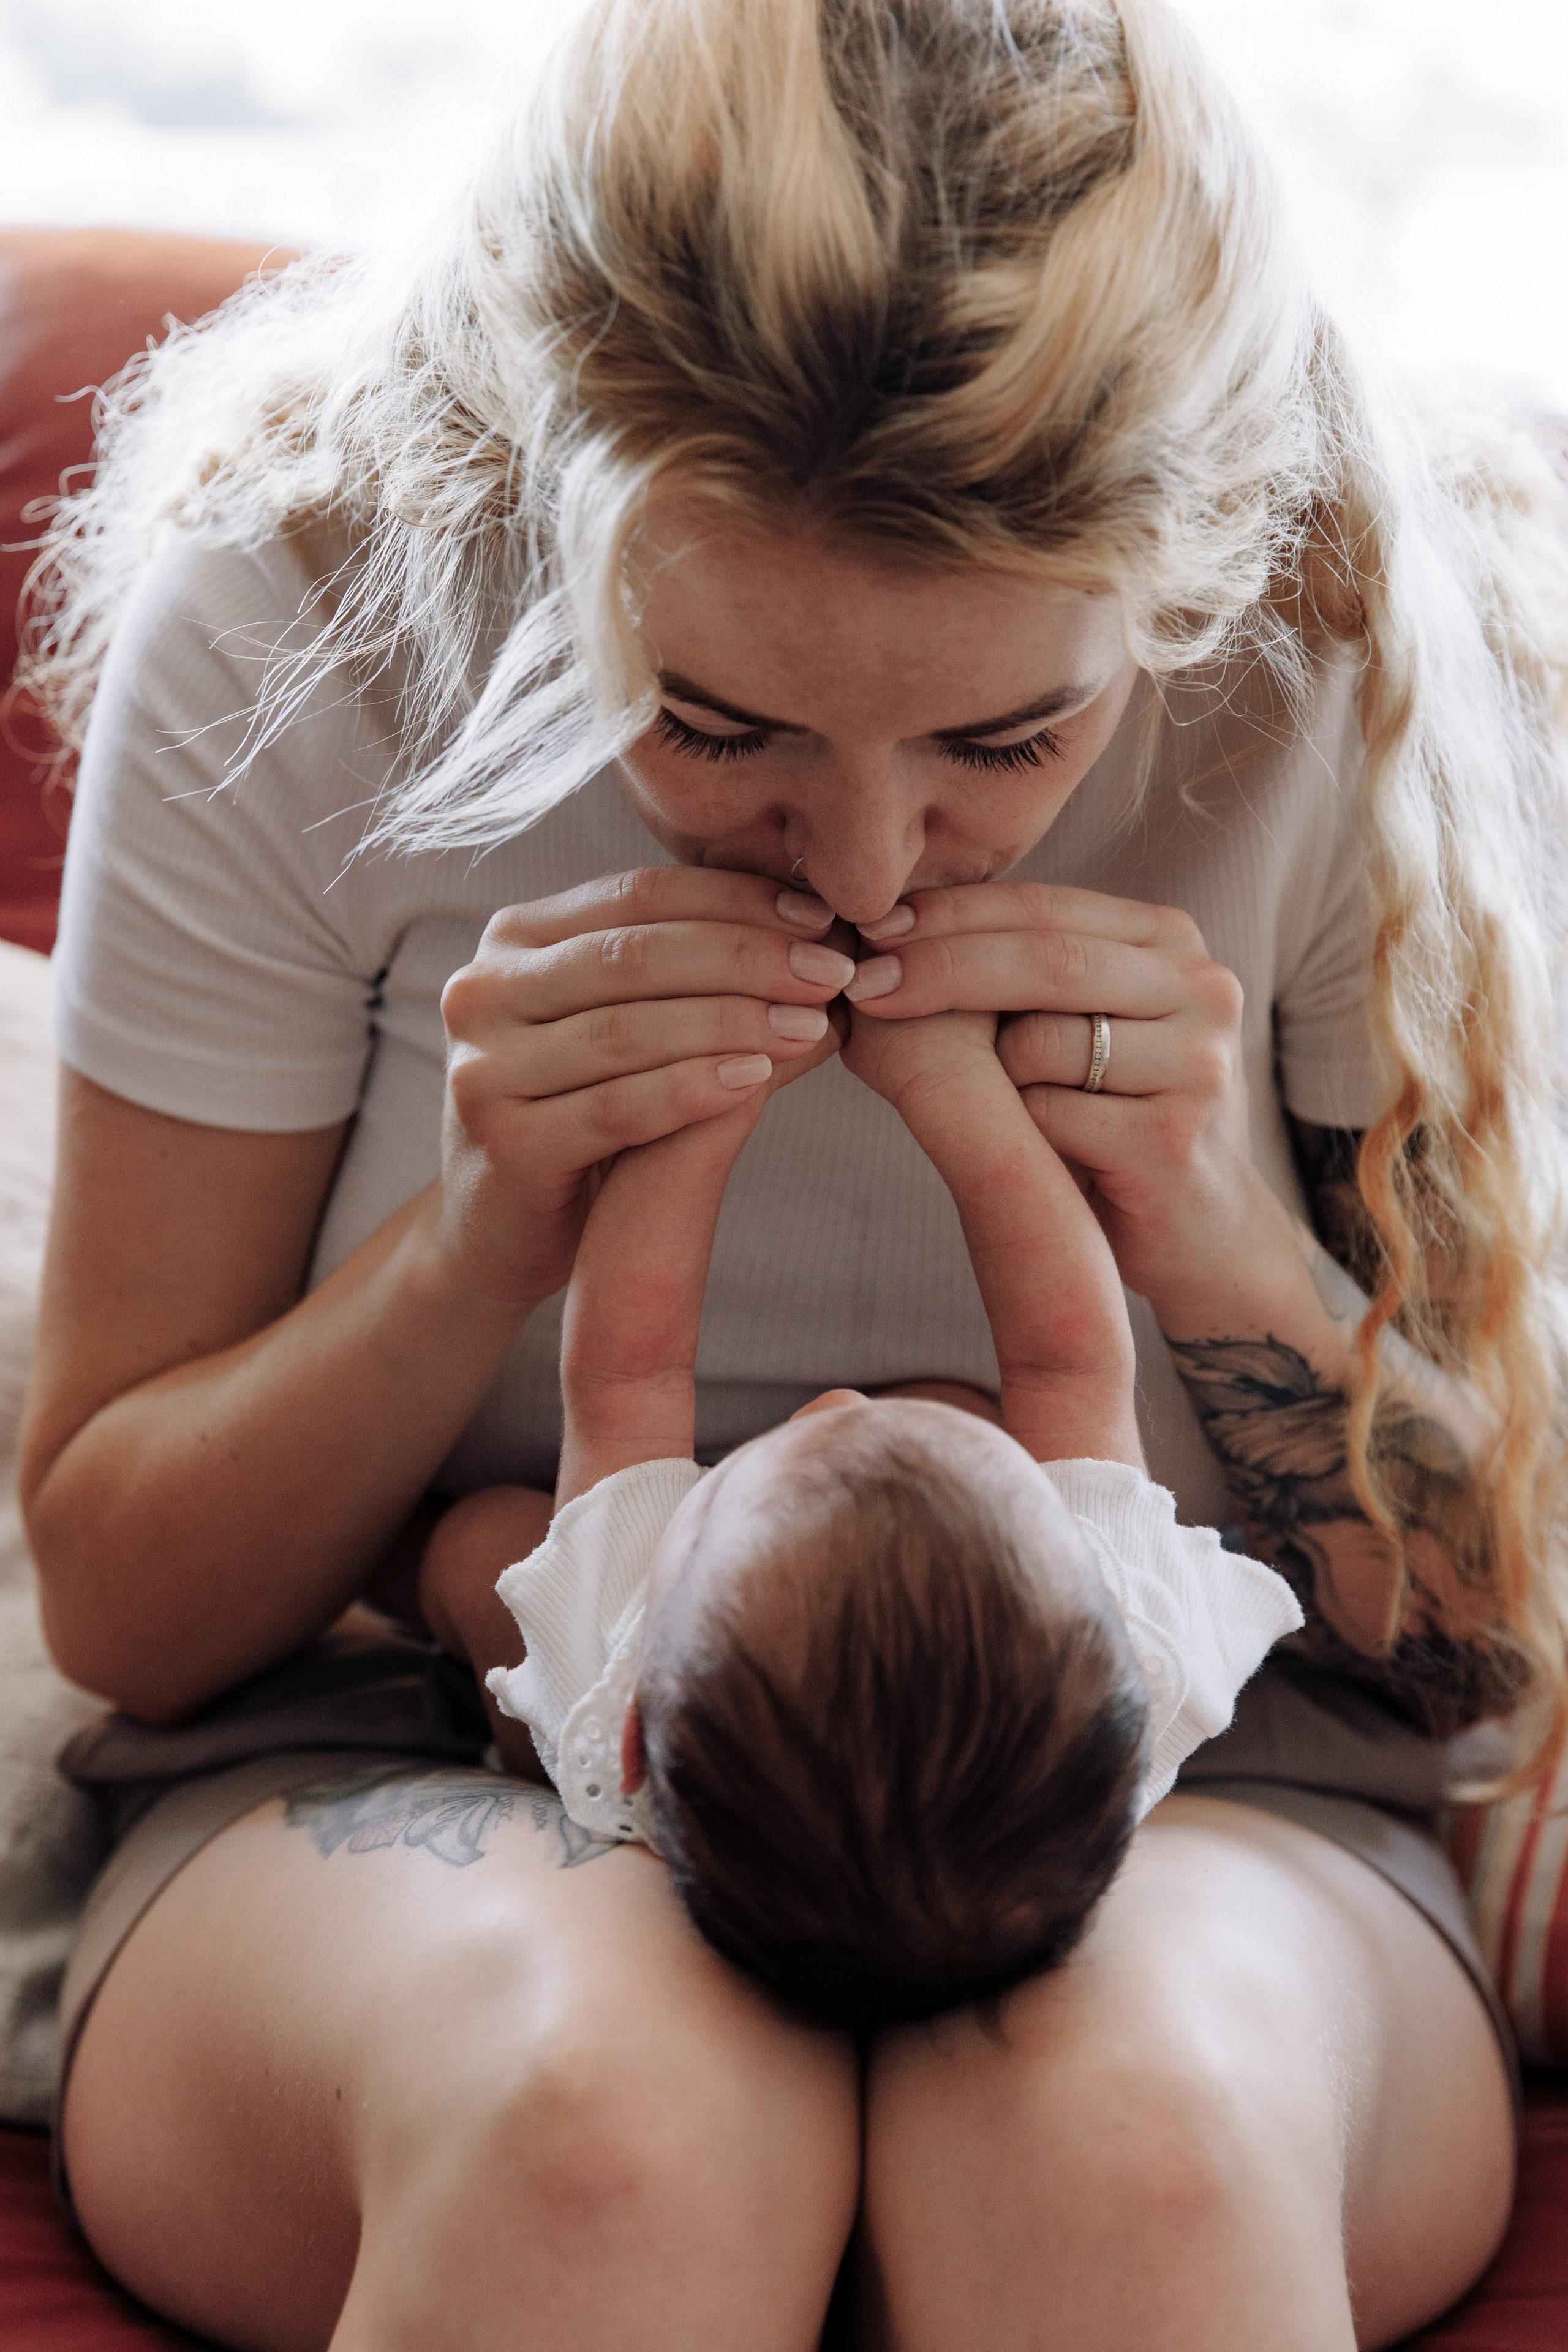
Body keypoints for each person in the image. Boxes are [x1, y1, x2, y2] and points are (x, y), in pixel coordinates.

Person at [15, 0, 1568, 2344]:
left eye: (1010, 736)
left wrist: (1208, 1232)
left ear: (1181, 592)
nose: (862, 863)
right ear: (541, 503)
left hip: (1205, 1797)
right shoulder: (311, 596)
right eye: (716, 721)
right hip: (373, 1773)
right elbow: (124, 1607)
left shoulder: (1349, 637)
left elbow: (1476, 1636)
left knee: (1138, 2151)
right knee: (602, 2137)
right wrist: (474, 1248)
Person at [457, 1011, 1300, 2029]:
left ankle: (493, 1702)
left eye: (778, 1447)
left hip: (620, 1689)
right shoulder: (1128, 1640)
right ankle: (953, 1432)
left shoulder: (621, 1662)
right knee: (964, 1411)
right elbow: (1065, 1360)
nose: (838, 1400)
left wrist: (708, 1095)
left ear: (634, 1730)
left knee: (476, 1551)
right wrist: (949, 1078)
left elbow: (628, 1374)